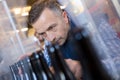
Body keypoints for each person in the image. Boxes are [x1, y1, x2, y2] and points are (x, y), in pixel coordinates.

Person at [28, 0, 82, 80]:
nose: (51, 38)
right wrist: (33, 63)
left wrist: (81, 67)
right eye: (43, 33)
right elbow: (48, 64)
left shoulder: (87, 26)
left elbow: (107, 58)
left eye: (52, 27)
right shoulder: (48, 44)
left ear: (65, 17)